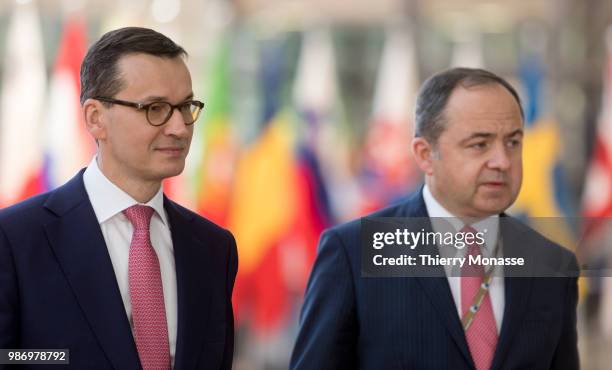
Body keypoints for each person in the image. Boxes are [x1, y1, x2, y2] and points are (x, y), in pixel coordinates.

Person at [290, 68, 579, 370]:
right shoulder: (353, 253)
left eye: (513, 142)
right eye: (480, 144)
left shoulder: (552, 266)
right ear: (425, 154)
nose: (502, 161)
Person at [0, 27, 237, 370]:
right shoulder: (15, 238)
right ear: (95, 118)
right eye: (155, 108)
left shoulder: (215, 247)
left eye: (186, 106)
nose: (180, 127)